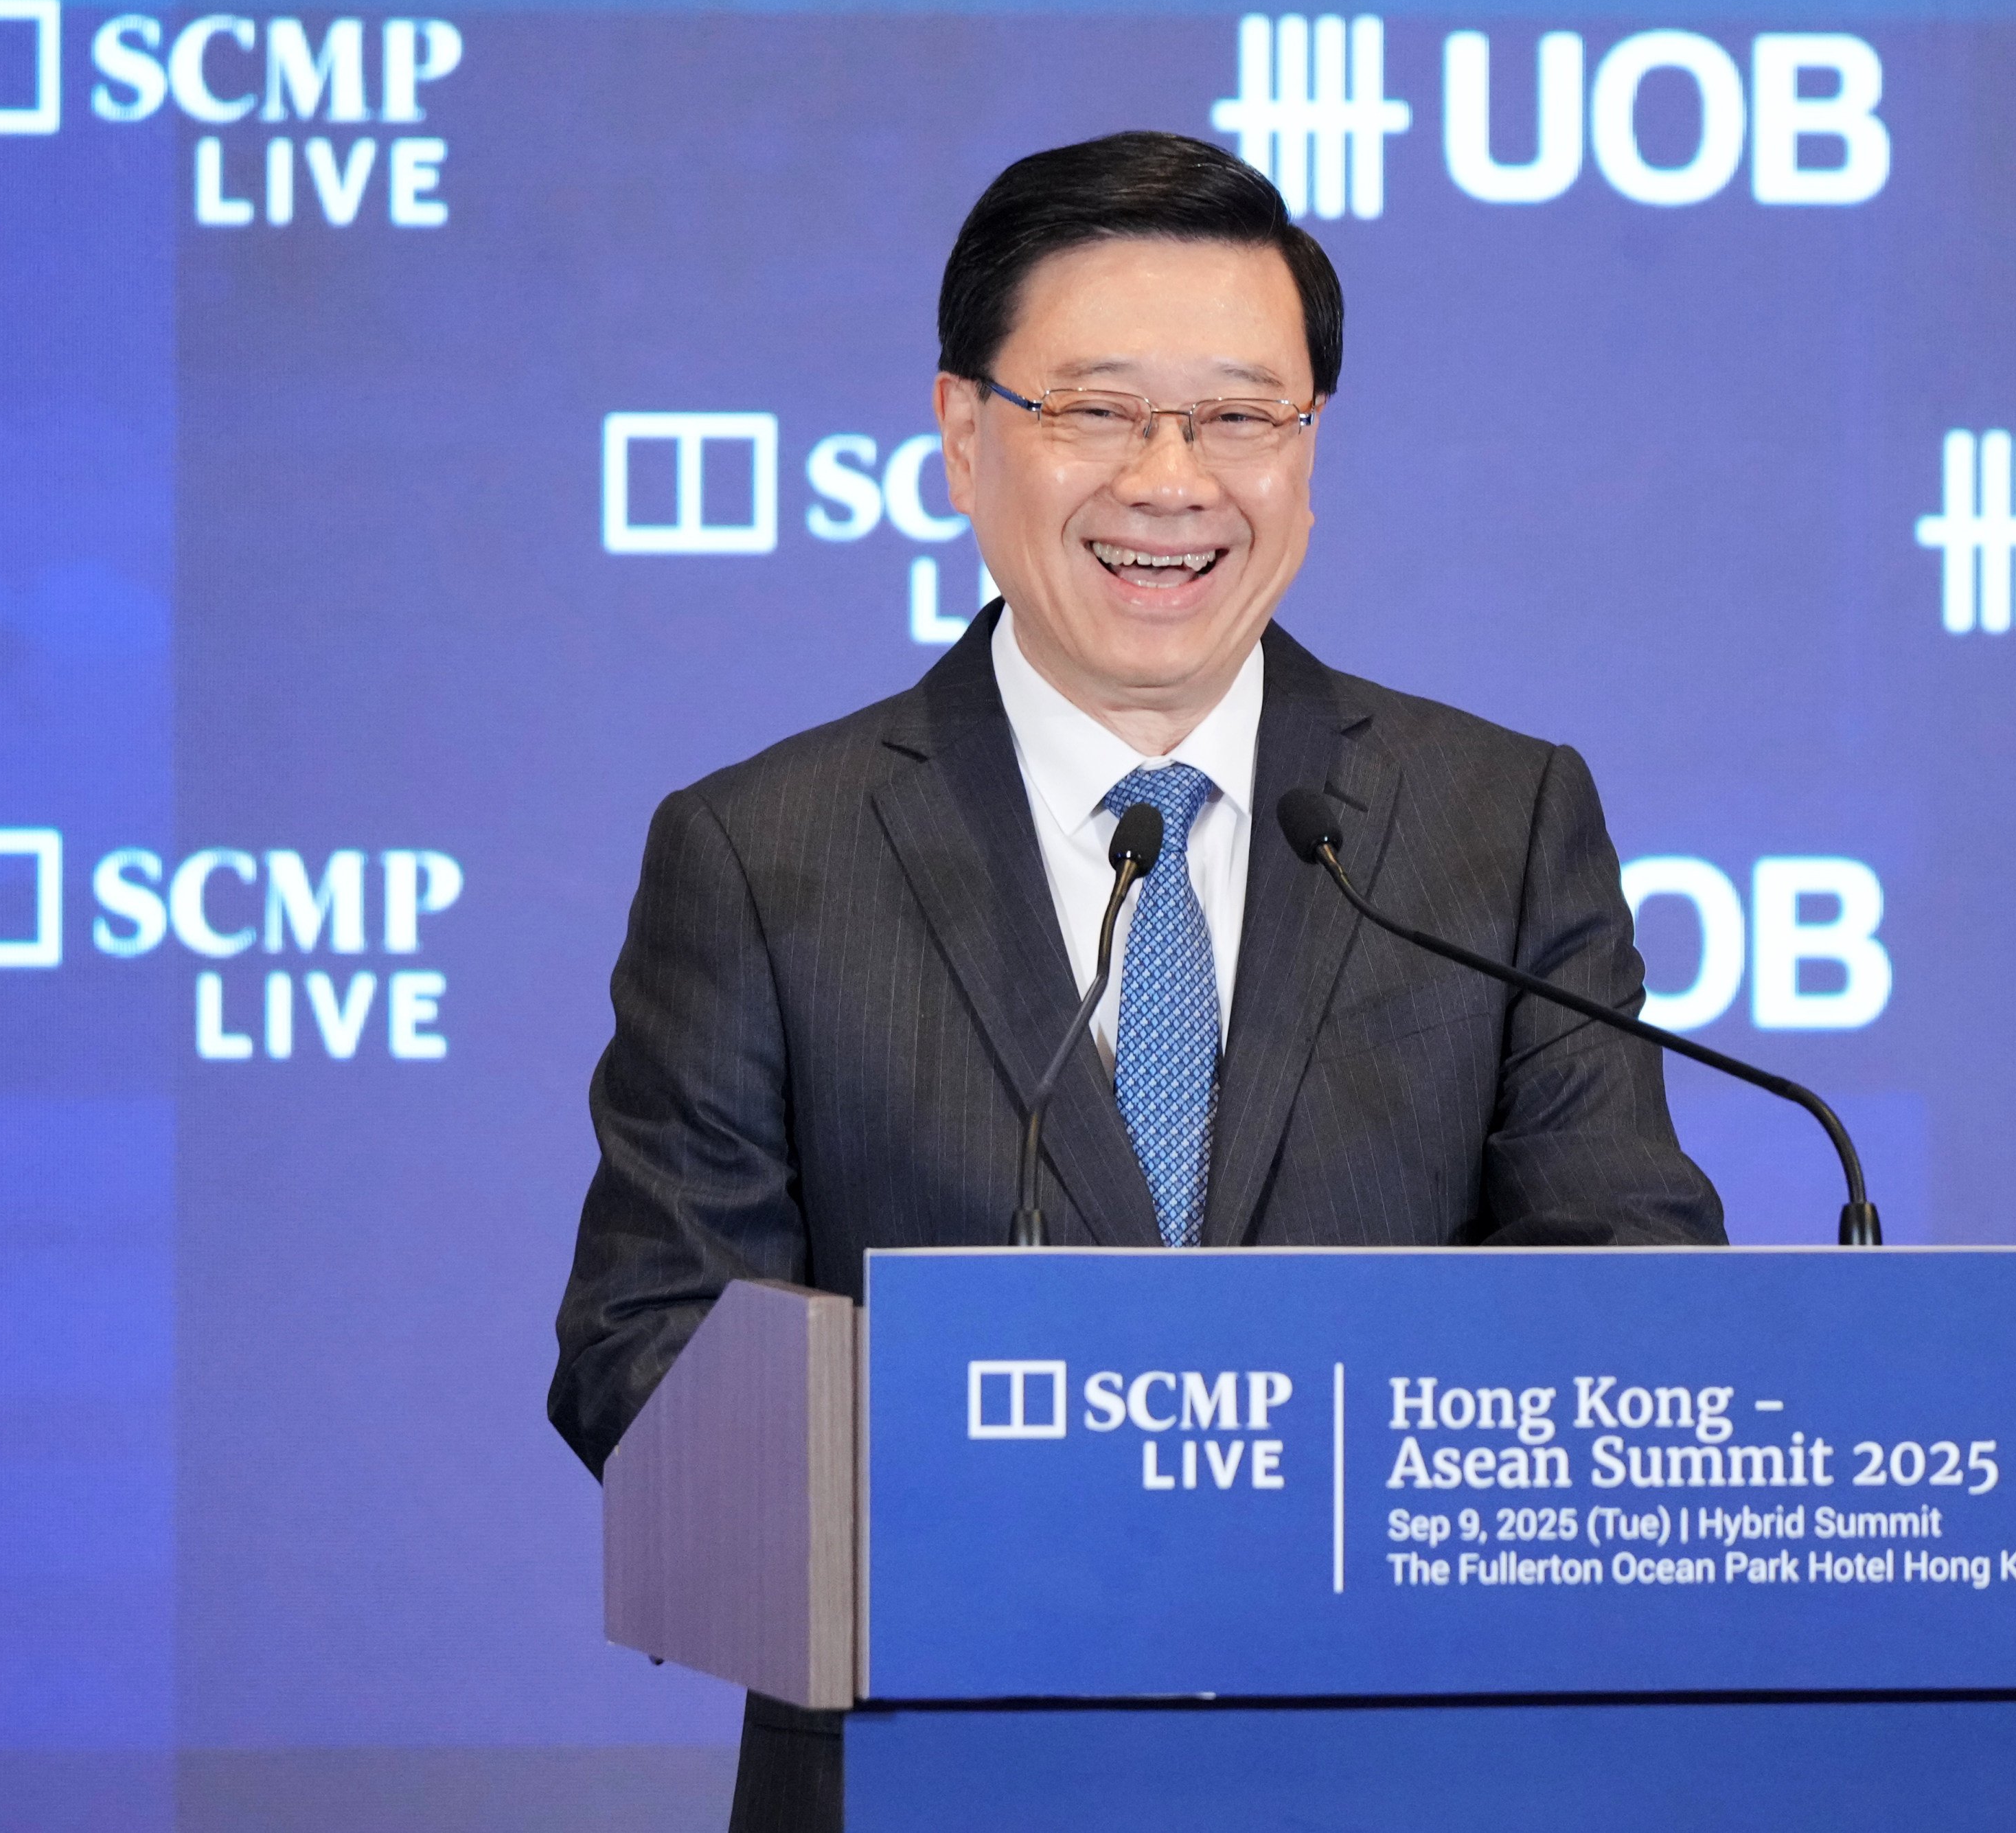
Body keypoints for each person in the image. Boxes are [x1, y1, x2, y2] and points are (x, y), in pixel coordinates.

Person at [549, 129, 1723, 1832]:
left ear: (1309, 451)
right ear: (963, 436)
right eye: (1094, 411)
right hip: (927, 1770)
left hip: (1400, 1771)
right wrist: (1028, 1488)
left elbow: (1624, 1280)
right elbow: (643, 1348)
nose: (1170, 480)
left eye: (1240, 417)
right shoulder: (760, 851)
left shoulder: (1498, 819)